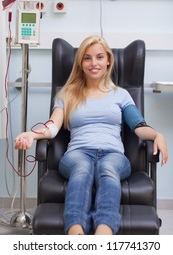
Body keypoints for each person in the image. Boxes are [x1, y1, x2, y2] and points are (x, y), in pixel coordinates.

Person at [15, 35, 168, 235]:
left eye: (99, 57)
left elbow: (139, 127)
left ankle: (103, 233)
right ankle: (75, 231)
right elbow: (52, 126)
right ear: (81, 62)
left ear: (108, 61)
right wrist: (31, 135)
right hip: (78, 154)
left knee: (107, 169)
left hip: (113, 154)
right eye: (87, 58)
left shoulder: (120, 94)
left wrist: (158, 135)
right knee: (82, 169)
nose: (94, 63)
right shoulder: (67, 94)